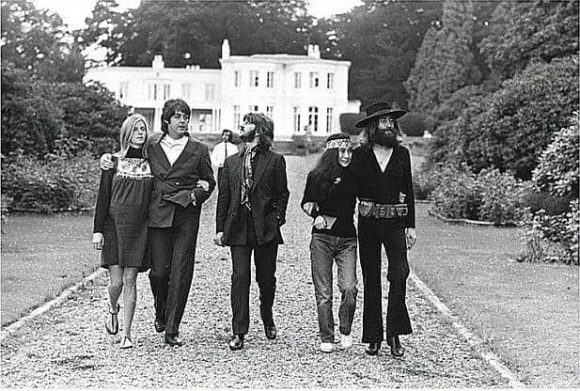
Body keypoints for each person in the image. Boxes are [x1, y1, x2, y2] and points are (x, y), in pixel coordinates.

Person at [101, 99, 216, 347]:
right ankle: (160, 308)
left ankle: (172, 329)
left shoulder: (199, 148)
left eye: (186, 116)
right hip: (158, 214)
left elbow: (209, 181)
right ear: (167, 121)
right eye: (178, 116)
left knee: (182, 271)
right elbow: (128, 154)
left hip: (186, 215)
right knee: (159, 272)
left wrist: (197, 195)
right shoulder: (152, 145)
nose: (183, 121)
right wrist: (106, 159)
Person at [214, 112, 289, 351]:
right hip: (238, 227)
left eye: (246, 123)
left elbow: (282, 194)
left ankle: (267, 315)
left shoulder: (275, 160)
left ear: (258, 130)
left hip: (265, 228)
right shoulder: (232, 162)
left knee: (266, 279)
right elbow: (223, 197)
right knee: (240, 277)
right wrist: (219, 229)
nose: (240, 126)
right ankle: (239, 331)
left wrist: (277, 219)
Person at [350, 101, 417, 357]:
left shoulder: (402, 154)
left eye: (391, 121)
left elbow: (408, 191)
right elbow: (349, 189)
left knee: (399, 273)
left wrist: (410, 226)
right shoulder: (360, 155)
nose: (388, 125)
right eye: (383, 121)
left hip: (395, 224)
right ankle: (373, 336)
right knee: (371, 278)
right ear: (372, 126)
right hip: (368, 224)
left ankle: (395, 333)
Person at [93, 113, 153, 349]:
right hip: (113, 227)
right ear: (127, 132)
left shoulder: (152, 163)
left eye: (143, 129)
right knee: (116, 283)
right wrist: (98, 230)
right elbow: (103, 197)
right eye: (136, 129)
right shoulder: (113, 162)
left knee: (130, 280)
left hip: (139, 229)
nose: (141, 132)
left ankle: (127, 334)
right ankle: (112, 307)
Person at [300, 133, 358, 353]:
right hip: (322, 239)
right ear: (332, 153)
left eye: (348, 151)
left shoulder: (354, 176)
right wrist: (316, 215)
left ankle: (345, 327)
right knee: (323, 292)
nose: (346, 155)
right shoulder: (316, 176)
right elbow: (306, 203)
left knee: (349, 287)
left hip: (347, 239)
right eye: (342, 151)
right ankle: (327, 336)